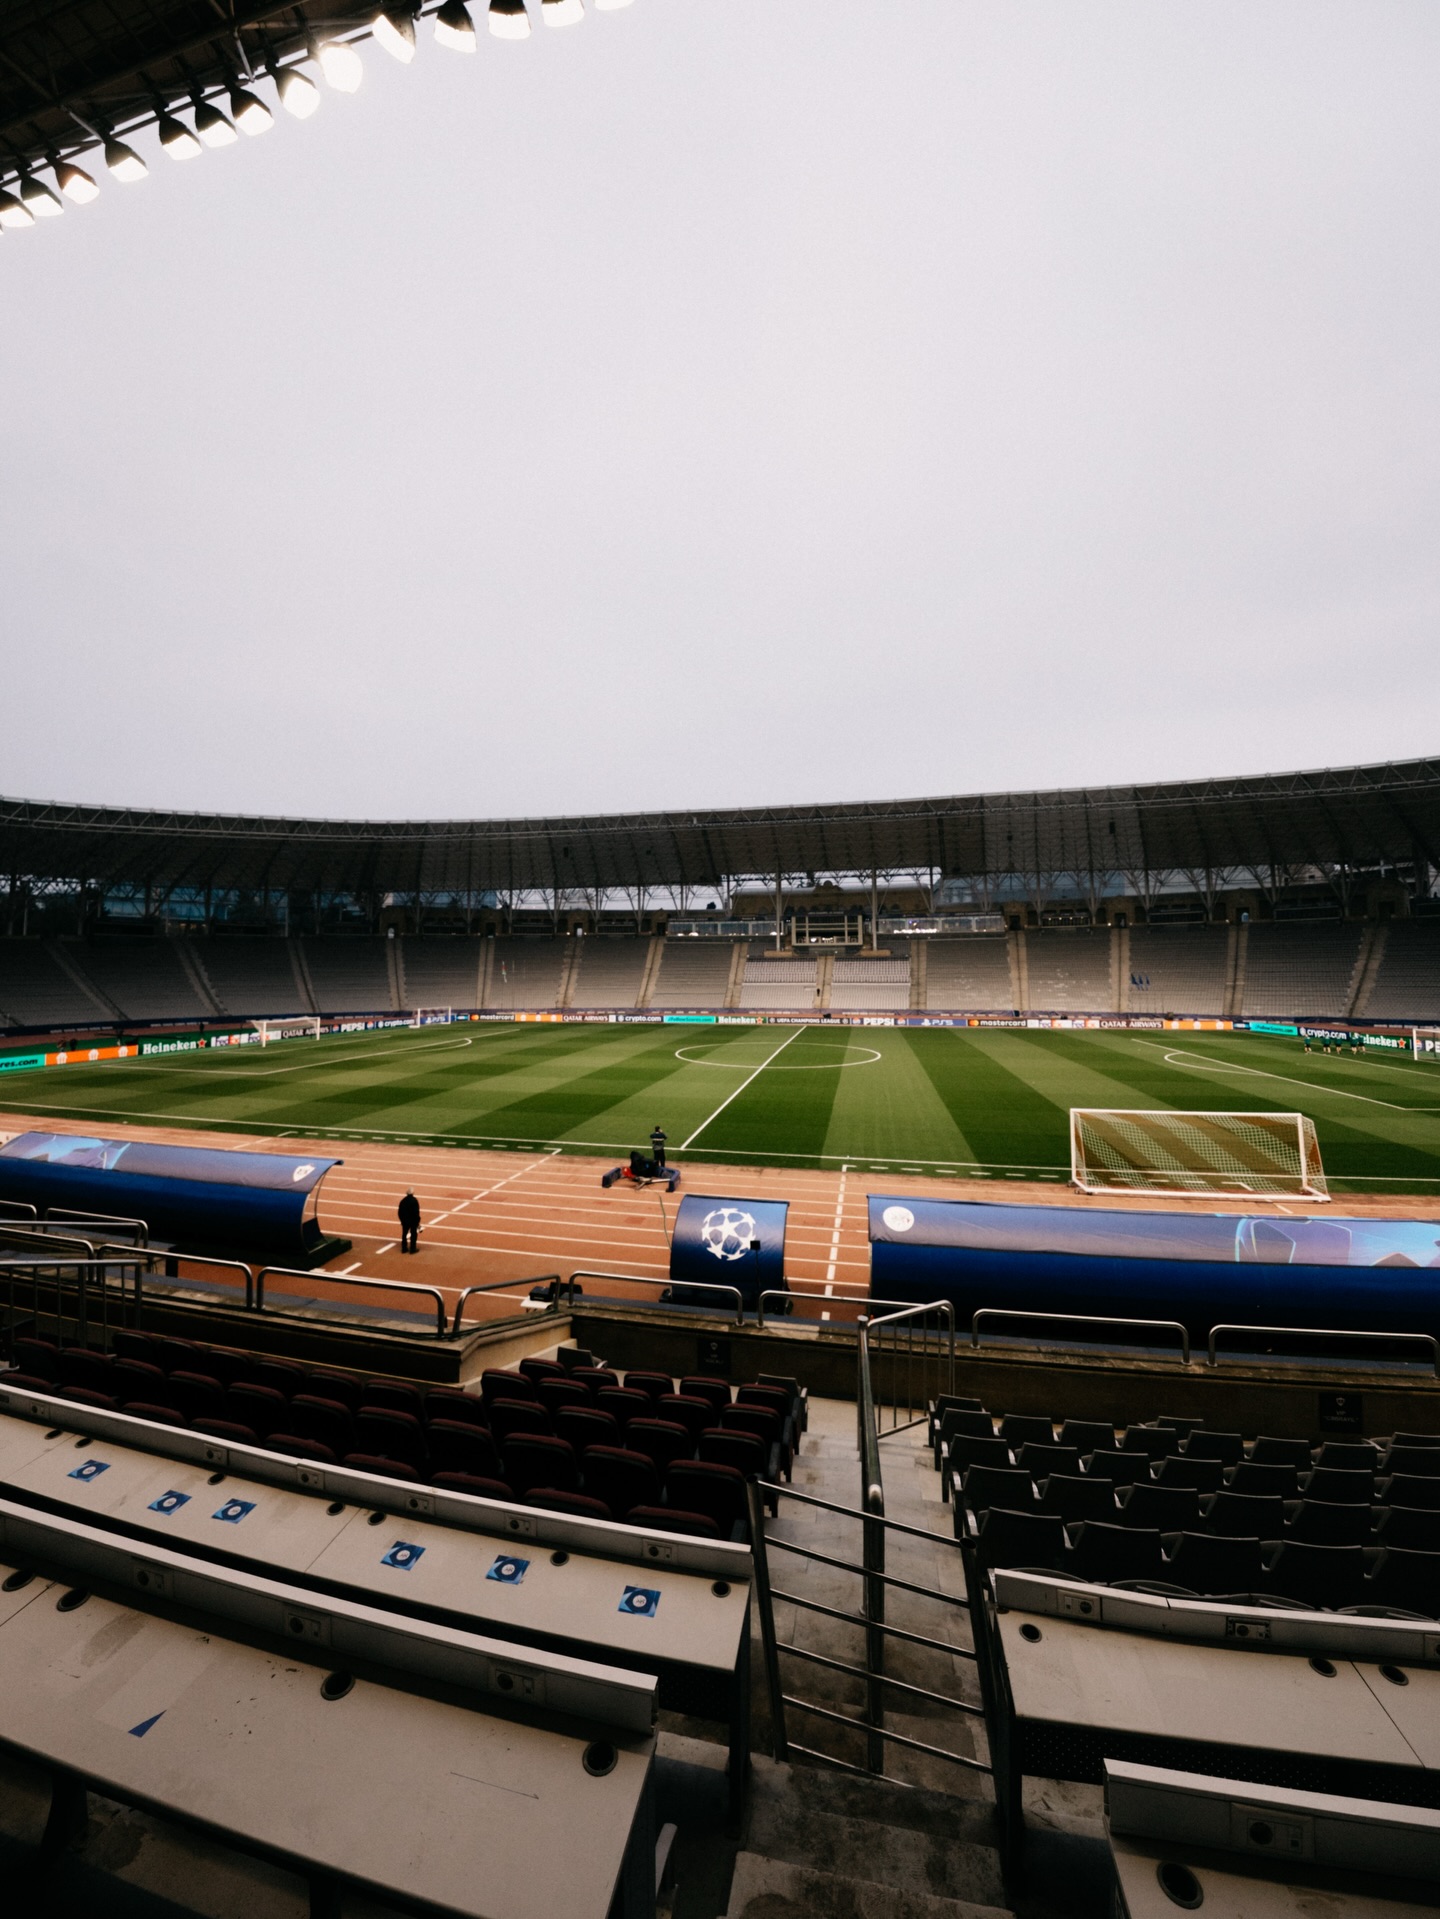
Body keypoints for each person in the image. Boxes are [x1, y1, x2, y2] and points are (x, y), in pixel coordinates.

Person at [398, 1189, 421, 1254]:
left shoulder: (403, 1201)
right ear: (412, 1193)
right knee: (413, 1234)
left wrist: (402, 1220)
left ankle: (404, 1248)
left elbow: (400, 1212)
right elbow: (416, 1212)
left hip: (405, 1221)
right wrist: (418, 1221)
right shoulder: (414, 1200)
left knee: (404, 1234)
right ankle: (412, 1248)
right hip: (413, 1221)